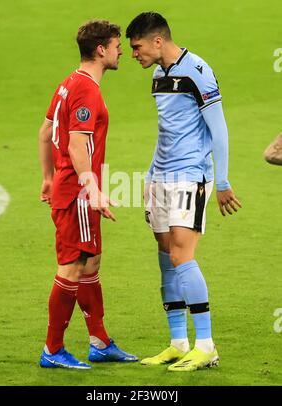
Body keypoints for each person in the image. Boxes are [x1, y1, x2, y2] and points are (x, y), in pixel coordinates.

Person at [126, 12, 241, 372]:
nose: (134, 54)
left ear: (157, 41)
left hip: (190, 177)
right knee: (165, 257)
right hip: (160, 177)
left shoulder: (197, 71)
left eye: (137, 47)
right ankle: (178, 342)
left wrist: (221, 182)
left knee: (181, 255)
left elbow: (218, 129)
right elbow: (168, 130)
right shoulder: (159, 75)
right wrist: (150, 175)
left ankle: (206, 346)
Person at [38, 20, 138, 369]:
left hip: (70, 186)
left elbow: (45, 131)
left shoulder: (69, 83)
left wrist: (47, 177)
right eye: (116, 45)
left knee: (90, 261)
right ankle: (53, 349)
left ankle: (99, 341)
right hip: (78, 191)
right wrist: (91, 186)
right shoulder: (87, 90)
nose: (121, 50)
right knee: (72, 266)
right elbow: (77, 142)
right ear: (101, 50)